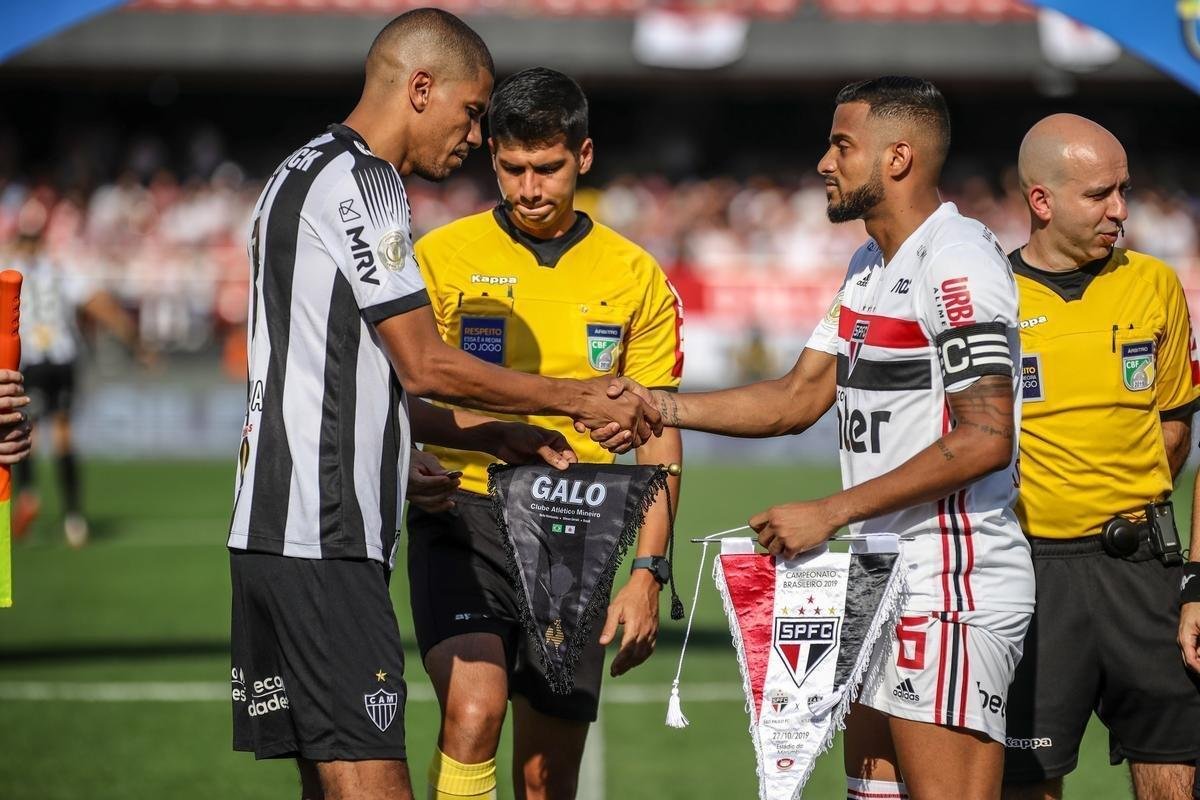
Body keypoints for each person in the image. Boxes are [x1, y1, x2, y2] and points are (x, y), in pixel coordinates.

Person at [227, 13, 658, 800]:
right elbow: (423, 362)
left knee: (326, 781)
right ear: (421, 88)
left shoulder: (296, 170)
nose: (473, 136)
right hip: (323, 528)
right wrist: (571, 396)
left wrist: (491, 433)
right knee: (372, 778)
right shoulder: (366, 181)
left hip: (270, 526)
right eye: (471, 112)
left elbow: (353, 377)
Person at [611, 76, 1034, 800]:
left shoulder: (958, 259)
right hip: (878, 579)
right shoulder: (868, 265)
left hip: (949, 586)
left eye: (842, 145)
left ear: (897, 157)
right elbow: (797, 397)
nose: (822, 163)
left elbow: (988, 437)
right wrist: (656, 406)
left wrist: (830, 511)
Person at [407, 67, 684, 800]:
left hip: (579, 525)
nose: (530, 188)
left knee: (544, 776)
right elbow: (393, 395)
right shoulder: (439, 258)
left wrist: (649, 572)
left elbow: (659, 436)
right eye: (513, 168)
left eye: (549, 168)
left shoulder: (637, 276)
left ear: (583, 157)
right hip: (460, 513)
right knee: (473, 711)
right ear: (492, 154)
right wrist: (408, 455)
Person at [1001, 114, 1200, 800]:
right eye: (1099, 194)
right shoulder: (991, 299)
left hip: (1142, 569)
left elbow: (1176, 428)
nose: (1120, 209)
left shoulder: (1156, 284)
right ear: (1042, 200)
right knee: (1027, 781)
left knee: (1175, 774)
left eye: (1125, 190)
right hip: (1030, 576)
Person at [6, 207, 151, 547]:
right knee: (64, 434)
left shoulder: (7, 270)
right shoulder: (61, 269)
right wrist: (134, 339)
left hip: (30, 359)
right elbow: (99, 304)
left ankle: (28, 494)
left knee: (28, 430)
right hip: (62, 358)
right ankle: (73, 519)